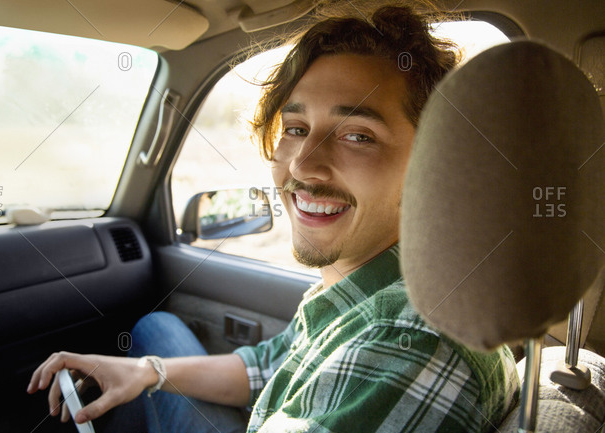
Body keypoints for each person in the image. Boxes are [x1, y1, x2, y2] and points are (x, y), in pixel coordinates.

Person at [27, 2, 520, 432]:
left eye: (358, 135)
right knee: (156, 333)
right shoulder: (361, 290)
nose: (304, 164)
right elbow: (267, 364)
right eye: (297, 127)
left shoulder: (407, 342)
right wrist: (146, 372)